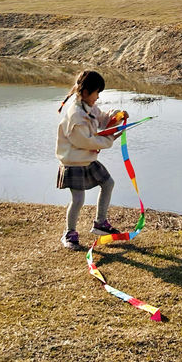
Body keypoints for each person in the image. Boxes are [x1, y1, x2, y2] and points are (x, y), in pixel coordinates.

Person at [55, 69, 128, 250]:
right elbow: (85, 141)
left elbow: (102, 119)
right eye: (97, 93)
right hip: (73, 162)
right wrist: (110, 139)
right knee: (78, 199)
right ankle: (69, 233)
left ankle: (100, 223)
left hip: (87, 159)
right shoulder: (76, 116)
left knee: (108, 183)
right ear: (86, 92)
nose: (98, 97)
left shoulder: (89, 107)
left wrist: (116, 116)